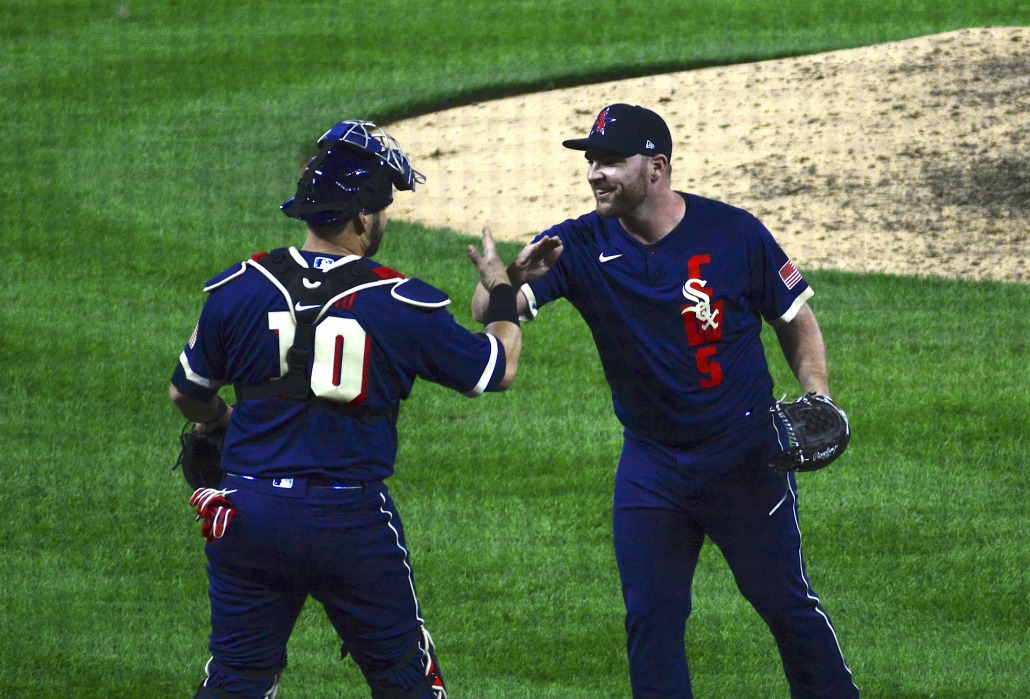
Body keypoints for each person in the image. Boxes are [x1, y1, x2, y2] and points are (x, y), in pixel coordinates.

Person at [472, 104, 859, 698]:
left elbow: (794, 317)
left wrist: (818, 395)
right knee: (651, 619)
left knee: (785, 604)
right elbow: (486, 315)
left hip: (744, 456)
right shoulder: (575, 244)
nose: (595, 174)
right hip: (652, 466)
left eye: (610, 161)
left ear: (657, 168)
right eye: (591, 161)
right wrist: (508, 282)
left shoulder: (733, 233)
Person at [169, 120, 559, 699]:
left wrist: (221, 422)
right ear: (360, 219)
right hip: (348, 522)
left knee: (237, 681)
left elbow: (187, 394)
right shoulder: (397, 301)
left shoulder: (239, 289)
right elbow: (496, 368)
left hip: (247, 512)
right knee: (404, 679)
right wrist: (503, 292)